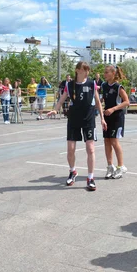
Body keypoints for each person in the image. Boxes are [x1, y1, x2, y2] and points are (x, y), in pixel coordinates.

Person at [47, 62, 107, 191]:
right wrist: (55, 110)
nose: (86, 72)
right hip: (74, 119)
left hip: (89, 119)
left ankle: (90, 178)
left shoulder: (92, 84)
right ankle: (72, 171)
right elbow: (62, 99)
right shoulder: (70, 85)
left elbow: (97, 102)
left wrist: (102, 118)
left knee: (91, 149)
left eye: (87, 70)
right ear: (77, 70)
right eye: (84, 70)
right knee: (71, 149)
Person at [101, 65, 130, 179]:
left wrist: (113, 109)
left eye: (107, 72)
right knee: (106, 141)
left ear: (113, 73)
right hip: (107, 116)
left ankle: (121, 166)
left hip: (117, 117)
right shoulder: (104, 85)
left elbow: (126, 102)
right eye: (104, 72)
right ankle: (110, 166)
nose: (105, 74)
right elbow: (104, 98)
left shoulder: (119, 87)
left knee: (114, 141)